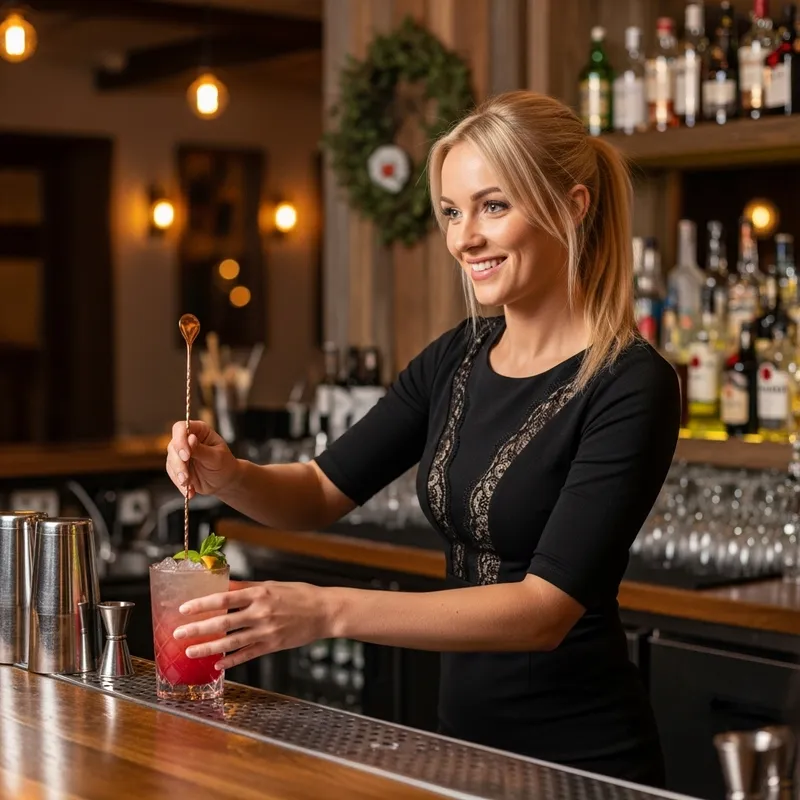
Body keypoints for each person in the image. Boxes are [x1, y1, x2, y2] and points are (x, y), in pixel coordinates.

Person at [165, 90, 680, 786]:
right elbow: (320, 489)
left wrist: (323, 609)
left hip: (580, 764)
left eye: (493, 205)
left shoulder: (630, 383)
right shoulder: (456, 358)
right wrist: (229, 474)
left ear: (572, 206)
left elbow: (542, 611)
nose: (464, 236)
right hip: (463, 753)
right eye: (451, 211)